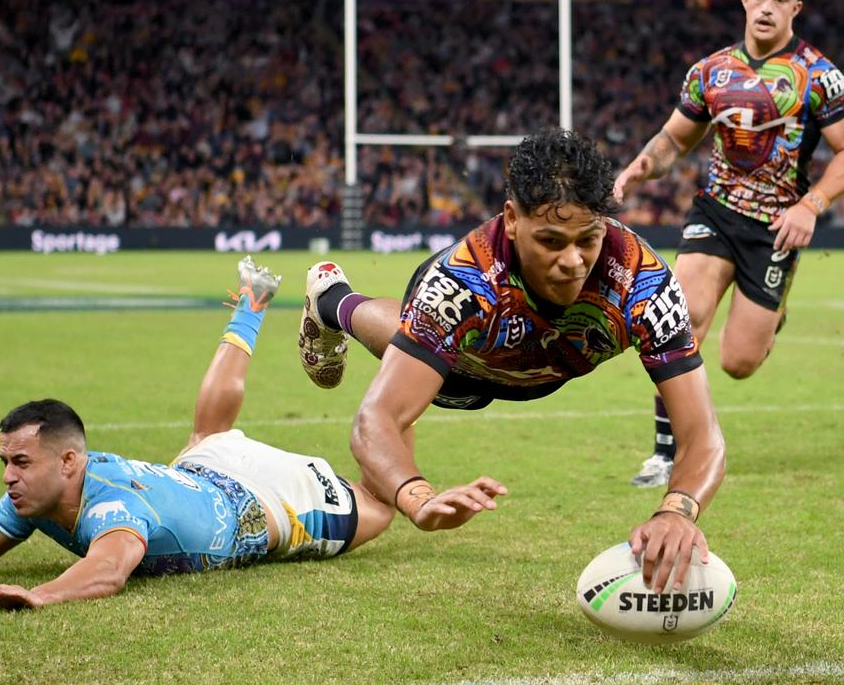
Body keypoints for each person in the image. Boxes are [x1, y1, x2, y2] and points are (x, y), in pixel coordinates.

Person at [298, 127, 726, 593]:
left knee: (424, 351)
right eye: (551, 241)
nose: (573, 261)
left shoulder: (644, 284)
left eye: (588, 239)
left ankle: (344, 305)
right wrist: (416, 495)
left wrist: (677, 511)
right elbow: (374, 419)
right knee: (433, 372)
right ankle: (333, 302)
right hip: (474, 358)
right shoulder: (462, 281)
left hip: (548, 366)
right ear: (511, 219)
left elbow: (702, 434)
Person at [0, 257, 393, 609]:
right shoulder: (38, 499)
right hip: (203, 468)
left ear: (68, 462)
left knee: (382, 505)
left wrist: (41, 595)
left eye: (20, 463)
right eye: (7, 462)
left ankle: (397, 350)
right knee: (208, 432)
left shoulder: (111, 512)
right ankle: (256, 305)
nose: (8, 477)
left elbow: (108, 571)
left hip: (275, 506)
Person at [613, 0, 844, 487]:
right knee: (679, 321)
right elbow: (673, 141)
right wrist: (638, 169)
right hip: (716, 214)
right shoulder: (710, 71)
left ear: (796, 9)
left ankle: (770, 318)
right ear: (743, 1)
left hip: (776, 226)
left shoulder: (819, 76)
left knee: (739, 362)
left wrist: (811, 205)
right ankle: (667, 453)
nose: (768, 5)